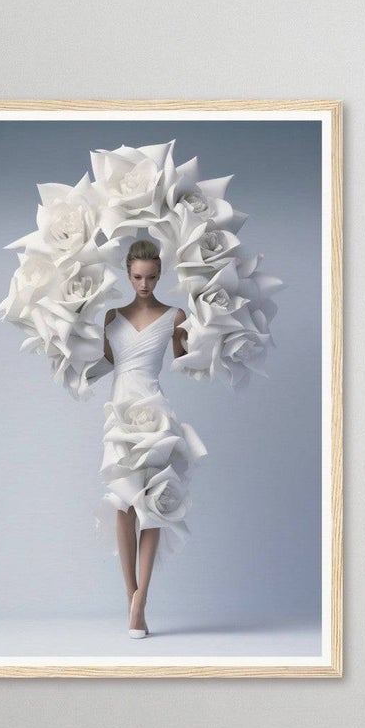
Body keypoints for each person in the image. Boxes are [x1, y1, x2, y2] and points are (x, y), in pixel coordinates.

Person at [98, 239, 206, 638]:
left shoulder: (174, 314)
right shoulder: (110, 316)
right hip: (118, 414)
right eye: (138, 277)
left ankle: (141, 601)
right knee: (123, 506)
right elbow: (104, 364)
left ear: (161, 274)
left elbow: (184, 361)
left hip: (155, 414)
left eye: (153, 277)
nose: (145, 284)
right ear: (128, 274)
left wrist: (204, 334)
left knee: (154, 505)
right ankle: (132, 599)